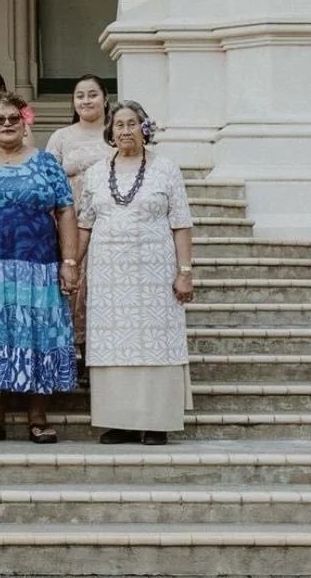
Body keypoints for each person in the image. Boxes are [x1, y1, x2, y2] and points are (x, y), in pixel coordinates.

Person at [0, 93, 79, 442]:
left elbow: (65, 210)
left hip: (38, 268)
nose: (7, 124)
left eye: (13, 119)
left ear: (25, 123)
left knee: (38, 334)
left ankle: (37, 417)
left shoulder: (46, 163)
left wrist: (69, 261)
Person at [76, 100, 194, 446]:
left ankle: (156, 422)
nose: (125, 130)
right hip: (108, 273)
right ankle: (120, 422)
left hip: (155, 272)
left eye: (132, 124)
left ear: (144, 129)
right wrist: (71, 265)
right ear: (110, 132)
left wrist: (184, 271)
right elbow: (84, 224)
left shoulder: (166, 169)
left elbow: (181, 223)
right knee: (114, 346)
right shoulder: (96, 172)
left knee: (153, 344)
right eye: (119, 125)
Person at [44, 73, 113, 370]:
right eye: (80, 95)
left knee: (100, 289)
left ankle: (99, 357)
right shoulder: (62, 137)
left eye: (92, 94)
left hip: (109, 224)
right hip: (70, 224)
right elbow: (47, 181)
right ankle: (73, 359)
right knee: (73, 286)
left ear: (106, 99)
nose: (86, 100)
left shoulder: (116, 133)